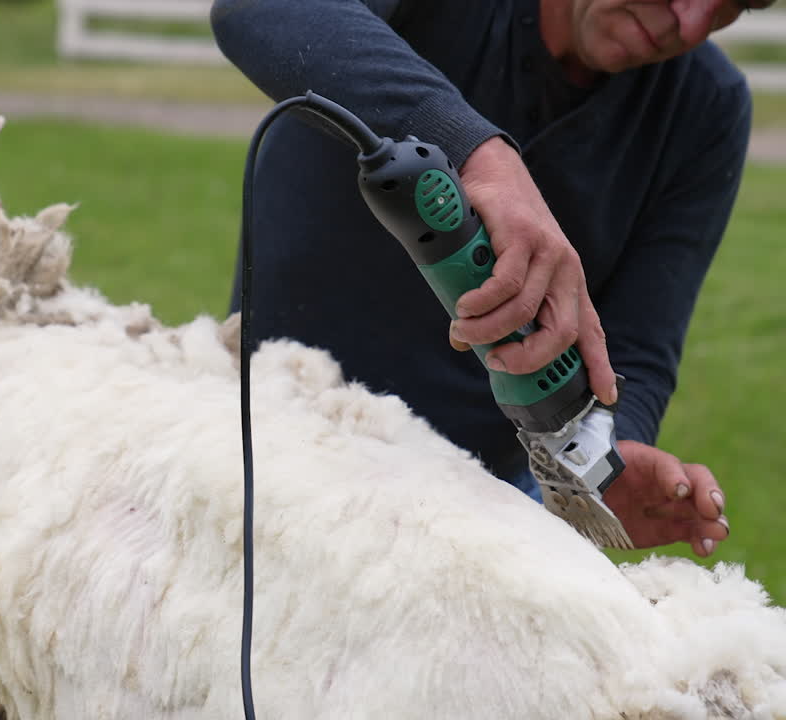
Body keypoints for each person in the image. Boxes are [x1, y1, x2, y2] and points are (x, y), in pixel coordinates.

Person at [210, 0, 772, 557]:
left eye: (737, 7)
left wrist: (603, 457)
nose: (693, 23)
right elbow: (257, 7)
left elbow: (639, 347)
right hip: (265, 448)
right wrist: (475, 152)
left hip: (474, 512)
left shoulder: (707, 105)